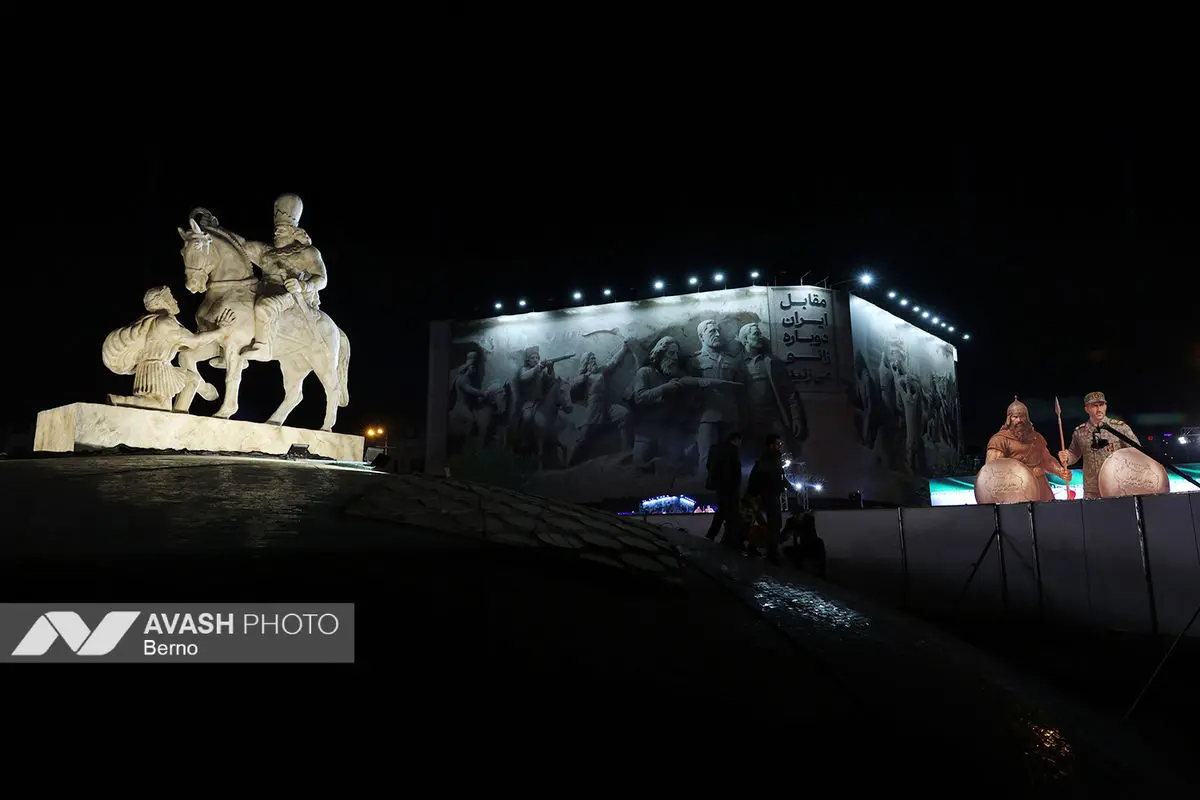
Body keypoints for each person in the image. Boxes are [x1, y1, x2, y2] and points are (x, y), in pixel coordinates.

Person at [102, 286, 236, 411]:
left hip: (157, 367)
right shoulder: (165, 323)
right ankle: (117, 400)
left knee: (192, 380)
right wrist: (220, 331)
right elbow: (194, 341)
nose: (175, 301)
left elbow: (184, 345)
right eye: (170, 298)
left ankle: (179, 415)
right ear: (161, 302)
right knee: (160, 406)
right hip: (156, 368)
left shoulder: (151, 321)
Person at [984, 396, 1072, 502]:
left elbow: (1046, 460)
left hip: (1041, 485)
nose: (1019, 420)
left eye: (1022, 417)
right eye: (1015, 417)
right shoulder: (1000, 440)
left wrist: (1060, 471)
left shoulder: (1037, 438)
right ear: (1009, 419)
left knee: (1048, 515)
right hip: (1016, 488)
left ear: (1027, 418)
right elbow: (992, 470)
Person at [1059, 392, 1138, 500]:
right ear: (1087, 409)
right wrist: (1066, 457)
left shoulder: (1119, 428)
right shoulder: (1080, 432)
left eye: (1101, 405)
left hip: (1117, 486)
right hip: (1092, 490)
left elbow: (1136, 452)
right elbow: (1074, 455)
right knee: (1093, 516)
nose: (1099, 409)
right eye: (1094, 406)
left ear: (1105, 406)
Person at [746, 434, 788, 564]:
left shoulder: (770, 458)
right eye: (777, 444)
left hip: (768, 495)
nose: (779, 446)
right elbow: (772, 478)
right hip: (769, 495)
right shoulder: (770, 458)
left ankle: (761, 549)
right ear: (771, 445)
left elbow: (778, 477)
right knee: (774, 524)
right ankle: (772, 553)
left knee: (770, 524)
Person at [704, 431, 744, 548]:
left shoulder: (715, 450)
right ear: (736, 440)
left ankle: (712, 535)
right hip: (731, 487)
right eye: (740, 441)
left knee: (722, 511)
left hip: (719, 486)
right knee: (733, 514)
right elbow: (736, 471)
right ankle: (730, 540)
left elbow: (708, 466)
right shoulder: (733, 450)